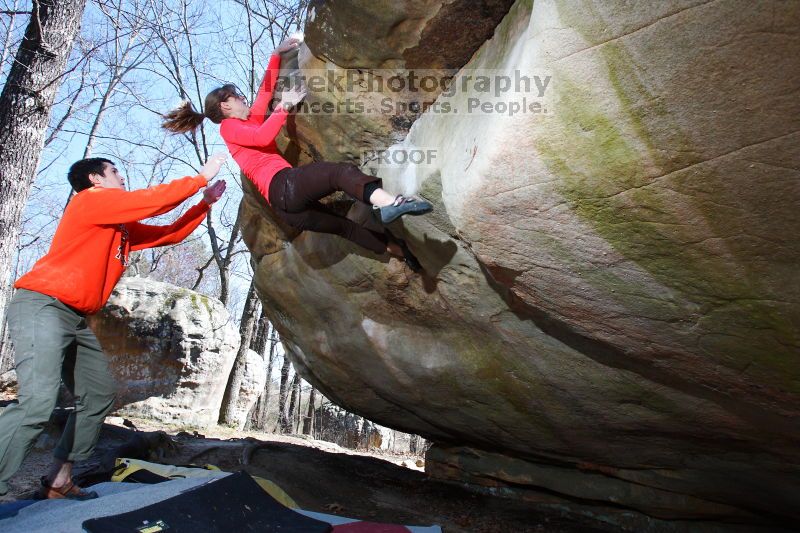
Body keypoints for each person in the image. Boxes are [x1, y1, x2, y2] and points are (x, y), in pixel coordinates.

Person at [0, 155, 227, 499]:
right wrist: (199, 179)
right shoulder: (91, 201)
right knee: (36, 404)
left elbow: (167, 233)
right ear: (96, 179)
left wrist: (203, 204)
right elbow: (148, 203)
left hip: (76, 318)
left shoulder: (117, 227)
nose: (122, 176)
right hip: (43, 305)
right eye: (115, 171)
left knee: (97, 395)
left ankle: (59, 480)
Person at [161, 37, 430, 271]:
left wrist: (276, 54)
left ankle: (402, 253)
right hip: (283, 187)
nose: (243, 98)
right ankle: (389, 204)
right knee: (340, 173)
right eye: (236, 96)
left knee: (347, 228)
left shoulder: (249, 119)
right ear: (226, 105)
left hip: (288, 210)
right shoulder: (229, 128)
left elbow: (265, 91)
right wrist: (285, 106)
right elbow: (262, 136)